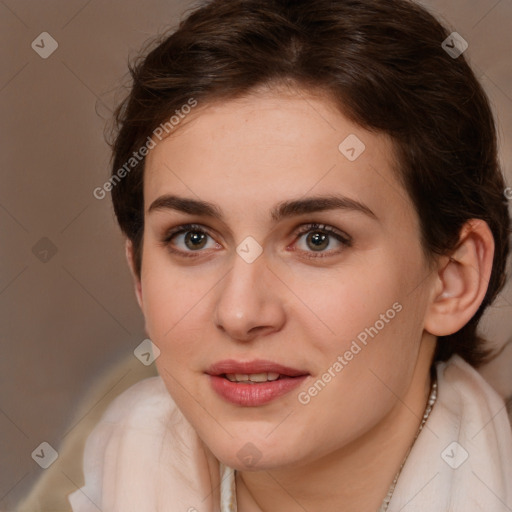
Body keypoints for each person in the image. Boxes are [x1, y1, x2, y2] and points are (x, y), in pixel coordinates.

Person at [69, 0, 512, 510]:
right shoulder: (95, 473)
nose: (240, 313)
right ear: (140, 277)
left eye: (318, 238)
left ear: (452, 279)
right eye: (193, 238)